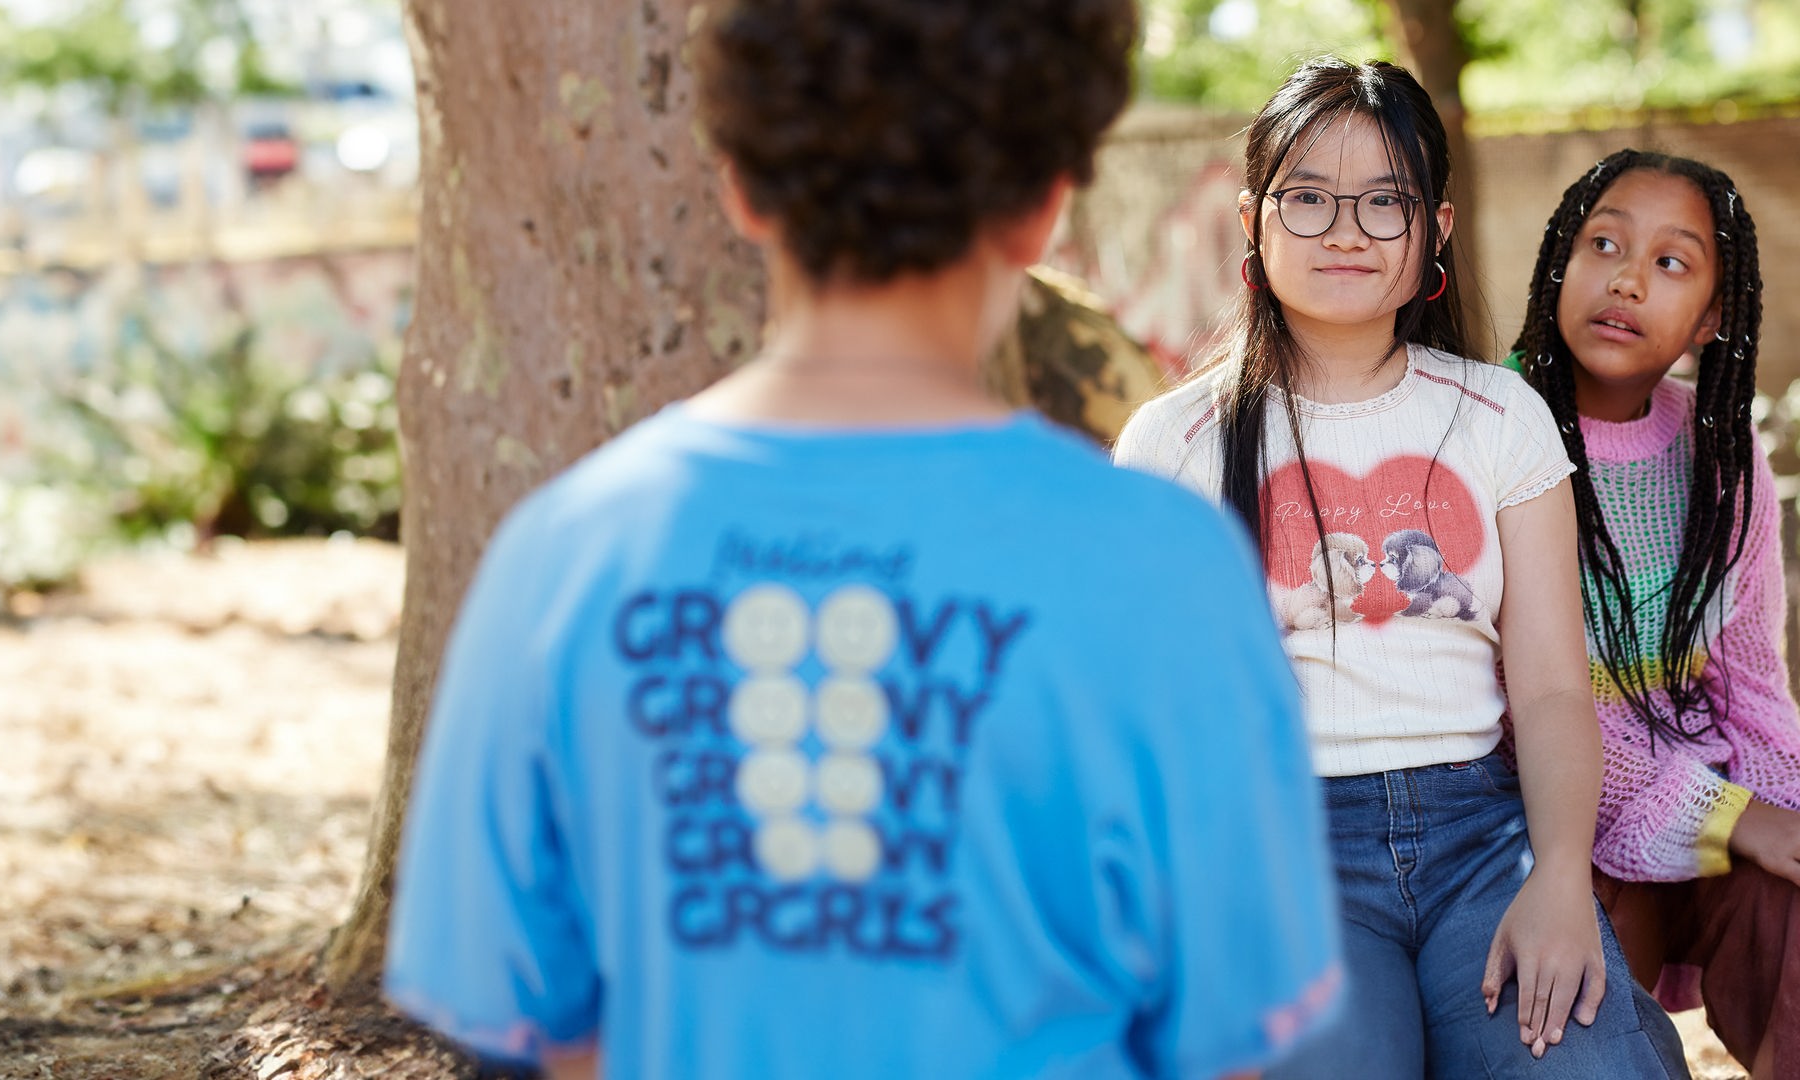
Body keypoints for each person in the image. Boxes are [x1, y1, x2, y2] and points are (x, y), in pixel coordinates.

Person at [383, 1, 1344, 1077]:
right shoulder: (1174, 573)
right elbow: (1226, 1046)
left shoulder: (560, 558)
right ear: (1042, 205)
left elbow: (546, 1030)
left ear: (740, 182)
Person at [1114, 57, 1690, 1078]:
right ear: (1253, 219)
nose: (1346, 230)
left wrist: (1559, 878)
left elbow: (1554, 688)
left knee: (1584, 1065)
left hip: (1483, 837)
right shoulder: (1176, 441)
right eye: (1310, 199)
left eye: (1387, 201)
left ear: (1438, 229)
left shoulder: (1499, 417)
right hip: (1283, 851)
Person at [1506, 150, 1800, 1078]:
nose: (1627, 278)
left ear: (1714, 316)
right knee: (1598, 1013)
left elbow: (1753, 685)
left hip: (1702, 796)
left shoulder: (1723, 452)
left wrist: (1781, 811)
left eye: (1671, 262)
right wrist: (1734, 816)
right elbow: (1522, 707)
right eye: (1604, 244)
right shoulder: (1487, 426)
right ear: (1562, 261)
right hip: (1541, 816)